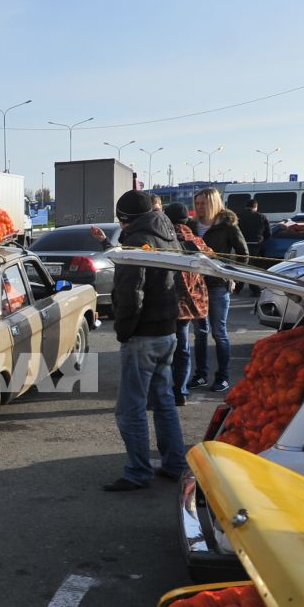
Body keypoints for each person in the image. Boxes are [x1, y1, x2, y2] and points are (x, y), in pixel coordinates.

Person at [105, 189, 185, 492]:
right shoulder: (167, 235)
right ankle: (175, 464)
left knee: (130, 409)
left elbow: (130, 294)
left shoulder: (136, 244)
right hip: (167, 330)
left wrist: (124, 331)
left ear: (126, 219)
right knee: (164, 402)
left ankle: (138, 471)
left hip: (143, 336)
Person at [188, 188, 248, 392]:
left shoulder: (227, 225)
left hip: (217, 286)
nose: (199, 207)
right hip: (195, 286)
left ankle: (223, 377)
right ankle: (200, 375)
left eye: (203, 203)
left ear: (213, 203)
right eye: (196, 203)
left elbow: (243, 253)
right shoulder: (191, 225)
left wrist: (231, 275)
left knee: (219, 332)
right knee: (200, 332)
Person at [161, 203, 211, 403]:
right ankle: (180, 391)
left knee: (168, 349)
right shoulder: (195, 239)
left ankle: (168, 389)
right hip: (193, 302)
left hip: (171, 300)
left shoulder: (165, 239)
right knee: (182, 348)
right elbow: (211, 256)